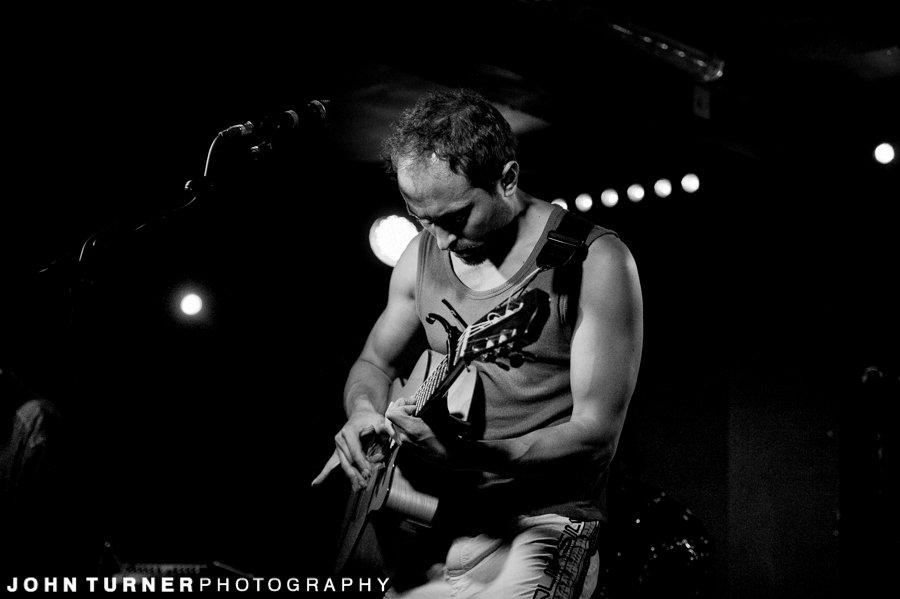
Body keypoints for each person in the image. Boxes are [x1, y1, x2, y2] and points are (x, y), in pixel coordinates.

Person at [317, 88, 643, 598]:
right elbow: (375, 364)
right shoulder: (422, 251)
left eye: (454, 218)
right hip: (424, 517)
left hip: (541, 524)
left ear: (508, 179)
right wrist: (362, 411)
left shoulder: (594, 261)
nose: (439, 240)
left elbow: (596, 435)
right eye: (420, 218)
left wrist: (476, 456)